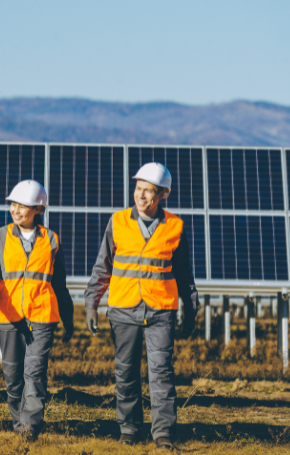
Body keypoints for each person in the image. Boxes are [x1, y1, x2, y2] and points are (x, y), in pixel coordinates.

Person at [84, 163, 198, 450]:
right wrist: (91, 304)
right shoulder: (118, 222)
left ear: (162, 194)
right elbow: (102, 268)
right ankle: (129, 428)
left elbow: (184, 274)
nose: (141, 196)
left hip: (161, 310)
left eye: (148, 191)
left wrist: (191, 307)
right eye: (138, 189)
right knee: (125, 372)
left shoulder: (175, 226)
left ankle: (163, 433)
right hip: (123, 309)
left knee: (161, 372)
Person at [0, 180, 74, 440]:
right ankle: (18, 421)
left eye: (23, 206)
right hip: (8, 317)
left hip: (41, 317)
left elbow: (59, 282)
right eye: (13, 204)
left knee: (35, 372)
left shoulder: (51, 240)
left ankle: (29, 427)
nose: (16, 210)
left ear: (38, 209)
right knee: (12, 376)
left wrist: (68, 316)